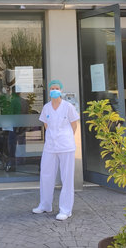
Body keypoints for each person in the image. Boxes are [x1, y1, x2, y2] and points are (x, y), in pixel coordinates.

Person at [32, 79, 79, 221]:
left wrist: (66, 137)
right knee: (46, 175)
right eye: (52, 88)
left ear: (61, 90)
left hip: (66, 146)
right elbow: (46, 125)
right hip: (50, 146)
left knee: (67, 177)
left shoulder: (68, 106)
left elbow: (74, 124)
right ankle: (45, 205)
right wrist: (53, 137)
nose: (54, 90)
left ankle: (66, 209)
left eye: (57, 88)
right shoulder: (46, 107)